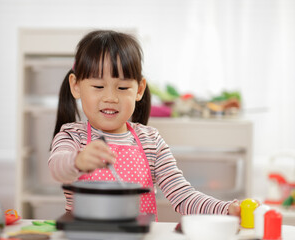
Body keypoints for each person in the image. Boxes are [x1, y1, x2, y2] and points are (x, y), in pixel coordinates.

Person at [48, 29, 241, 220]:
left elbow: (183, 196)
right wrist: (78, 160)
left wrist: (225, 209)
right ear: (76, 86)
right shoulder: (72, 136)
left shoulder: (151, 141)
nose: (110, 98)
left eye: (123, 88)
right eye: (98, 86)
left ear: (139, 90)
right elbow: (57, 167)